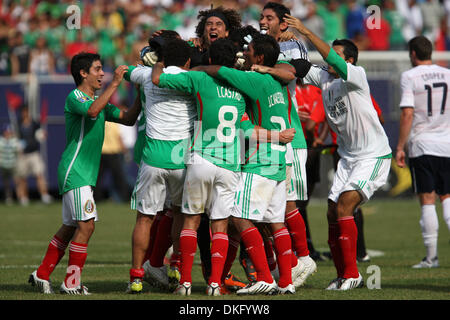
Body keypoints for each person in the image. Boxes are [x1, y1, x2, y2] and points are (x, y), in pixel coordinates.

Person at [282, 14, 392, 290]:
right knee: (332, 211)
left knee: (344, 206)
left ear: (349, 61)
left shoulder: (357, 76)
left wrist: (305, 30)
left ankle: (354, 274)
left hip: (373, 156)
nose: (329, 59)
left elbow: (329, 58)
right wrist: (277, 44)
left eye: (337, 55)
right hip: (348, 158)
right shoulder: (326, 80)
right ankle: (343, 275)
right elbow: (299, 66)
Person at [28, 52, 141, 295]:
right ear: (83, 73)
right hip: (75, 170)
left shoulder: (99, 102)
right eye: (98, 69)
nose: (102, 73)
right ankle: (71, 284)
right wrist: (114, 84)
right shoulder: (76, 97)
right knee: (86, 226)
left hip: (83, 174)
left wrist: (142, 92)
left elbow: (129, 118)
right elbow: (91, 112)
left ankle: (41, 273)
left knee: (70, 227)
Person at [196, 33, 297, 295]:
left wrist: (198, 67)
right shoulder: (278, 82)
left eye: (250, 50)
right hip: (278, 161)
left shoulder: (255, 79)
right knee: (276, 224)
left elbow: (220, 70)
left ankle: (264, 277)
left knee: (239, 218)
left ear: (260, 57)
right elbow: (290, 72)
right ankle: (286, 281)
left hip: (259, 161)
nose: (246, 53)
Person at [124, 31, 197, 294]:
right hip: (181, 158)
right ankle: (176, 263)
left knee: (144, 219)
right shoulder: (191, 78)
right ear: (187, 61)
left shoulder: (146, 76)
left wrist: (149, 61)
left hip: (152, 156)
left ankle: (135, 277)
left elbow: (124, 70)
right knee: (179, 214)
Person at [259, 1, 317, 288]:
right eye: (261, 16)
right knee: (269, 207)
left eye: (269, 17)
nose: (262, 20)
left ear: (283, 24)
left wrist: (268, 59)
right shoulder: (255, 41)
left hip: (287, 134)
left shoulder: (293, 46)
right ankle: (284, 263)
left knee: (286, 203)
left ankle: (302, 258)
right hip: (263, 135)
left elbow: (300, 69)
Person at [396, 35, 450, 268]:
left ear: (413, 54)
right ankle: (431, 258)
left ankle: (431, 258)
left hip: (423, 144)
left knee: (427, 200)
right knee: (447, 198)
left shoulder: (409, 76)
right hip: (447, 144)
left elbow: (408, 113)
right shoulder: (448, 74)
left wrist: (400, 146)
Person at [16, 106, 52, 206]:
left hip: (34, 153)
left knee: (39, 174)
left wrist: (43, 135)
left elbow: (40, 135)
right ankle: (23, 198)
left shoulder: (35, 123)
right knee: (22, 177)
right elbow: (17, 138)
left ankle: (44, 196)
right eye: (23, 112)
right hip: (23, 155)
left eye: (26, 112)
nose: (25, 114)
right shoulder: (18, 124)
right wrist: (18, 144)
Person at [0, 124, 21, 205]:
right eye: (6, 132)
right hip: (3, 165)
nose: (8, 133)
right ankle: (9, 198)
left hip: (13, 164)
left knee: (17, 181)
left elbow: (19, 151)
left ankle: (20, 197)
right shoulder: (1, 140)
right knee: (6, 183)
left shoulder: (14, 141)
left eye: (9, 132)